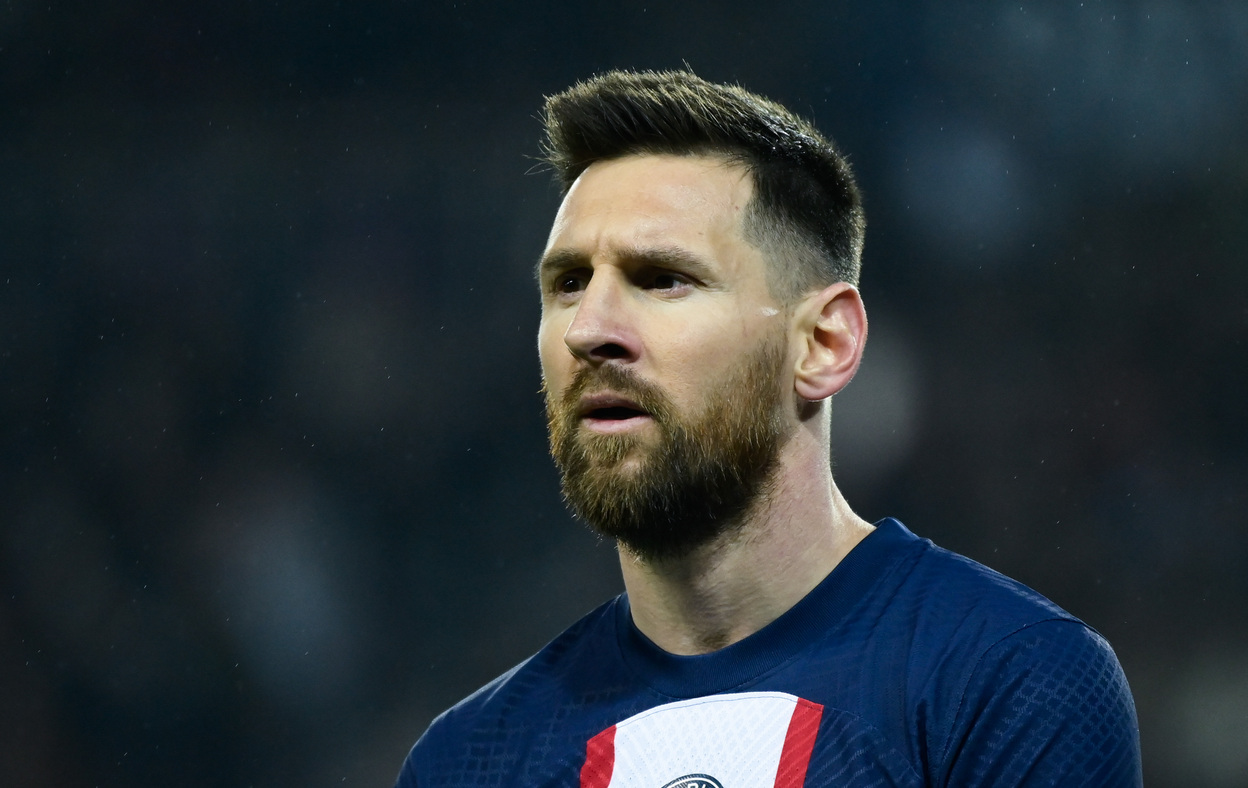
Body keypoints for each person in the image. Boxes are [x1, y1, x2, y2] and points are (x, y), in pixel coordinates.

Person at [396, 69, 1141, 787]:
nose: (588, 329)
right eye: (568, 284)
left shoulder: (1010, 684)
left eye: (662, 279)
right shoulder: (468, 760)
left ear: (822, 345)